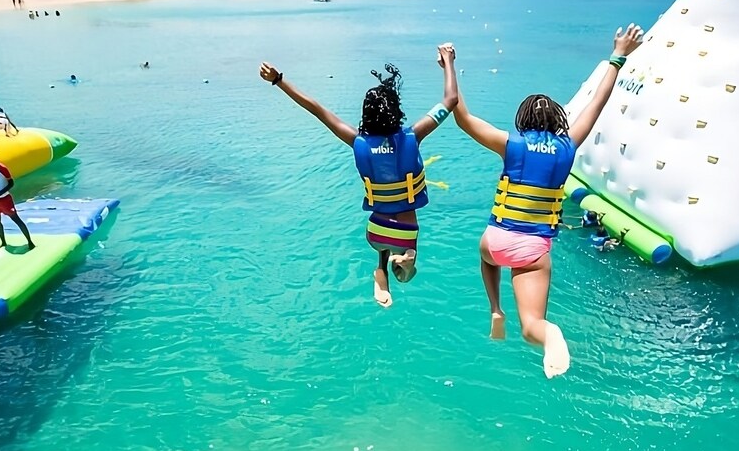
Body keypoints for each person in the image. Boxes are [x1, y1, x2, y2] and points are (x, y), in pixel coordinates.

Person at [451, 24, 643, 378]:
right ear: (558, 121)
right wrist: (619, 55)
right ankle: (548, 333)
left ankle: (495, 308)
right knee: (532, 325)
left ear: (522, 121)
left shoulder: (512, 144)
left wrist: (449, 65)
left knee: (487, 257)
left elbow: (462, 117)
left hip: (497, 243)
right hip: (533, 252)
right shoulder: (568, 146)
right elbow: (597, 103)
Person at [259, 43, 459, 308]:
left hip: (375, 232)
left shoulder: (357, 140)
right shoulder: (414, 135)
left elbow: (316, 108)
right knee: (408, 274)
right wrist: (448, 62)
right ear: (395, 111)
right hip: (406, 230)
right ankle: (404, 262)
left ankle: (381, 270)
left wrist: (279, 80)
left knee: (384, 241)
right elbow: (450, 101)